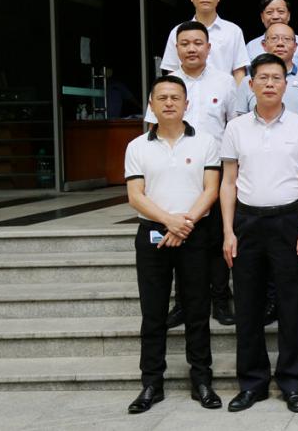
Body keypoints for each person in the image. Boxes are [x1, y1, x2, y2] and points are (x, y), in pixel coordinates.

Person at [220, 53, 298, 414]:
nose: (269, 84)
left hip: (289, 221)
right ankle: (253, 383)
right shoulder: (236, 128)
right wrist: (228, 231)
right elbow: (228, 182)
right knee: (247, 306)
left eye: (276, 78)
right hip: (247, 223)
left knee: (293, 306)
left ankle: (293, 383)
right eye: (262, 78)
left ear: (285, 84)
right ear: (250, 84)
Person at [124, 75, 221, 414]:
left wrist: (184, 224)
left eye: (175, 97)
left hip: (195, 233)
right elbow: (135, 196)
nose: (168, 103)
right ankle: (152, 383)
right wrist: (170, 221)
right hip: (153, 235)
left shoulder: (205, 142)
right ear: (151, 104)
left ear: (186, 104)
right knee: (153, 313)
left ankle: (202, 380)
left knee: (197, 309)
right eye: (162, 97)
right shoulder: (137, 146)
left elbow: (211, 189)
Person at [146, 20, 237, 328]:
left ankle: (220, 299)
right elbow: (152, 129)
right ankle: (182, 303)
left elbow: (234, 127)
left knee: (214, 236)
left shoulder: (225, 82)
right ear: (176, 48)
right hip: (175, 170)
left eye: (198, 43)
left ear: (209, 48)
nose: (192, 49)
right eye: (185, 44)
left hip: (216, 169)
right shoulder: (166, 85)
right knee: (177, 233)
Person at [161, 0, 250, 84]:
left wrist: (234, 94)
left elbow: (239, 72)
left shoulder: (233, 31)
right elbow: (172, 71)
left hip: (223, 93)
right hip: (187, 94)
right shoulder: (178, 31)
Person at [236, 22, 298, 120]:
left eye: (286, 39)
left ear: (295, 46)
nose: (280, 43)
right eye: (274, 38)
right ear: (264, 45)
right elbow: (240, 122)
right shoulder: (249, 81)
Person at [245, 0, 298, 70]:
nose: (275, 17)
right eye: (269, 12)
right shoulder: (251, 46)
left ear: (288, 15)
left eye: (281, 11)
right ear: (262, 17)